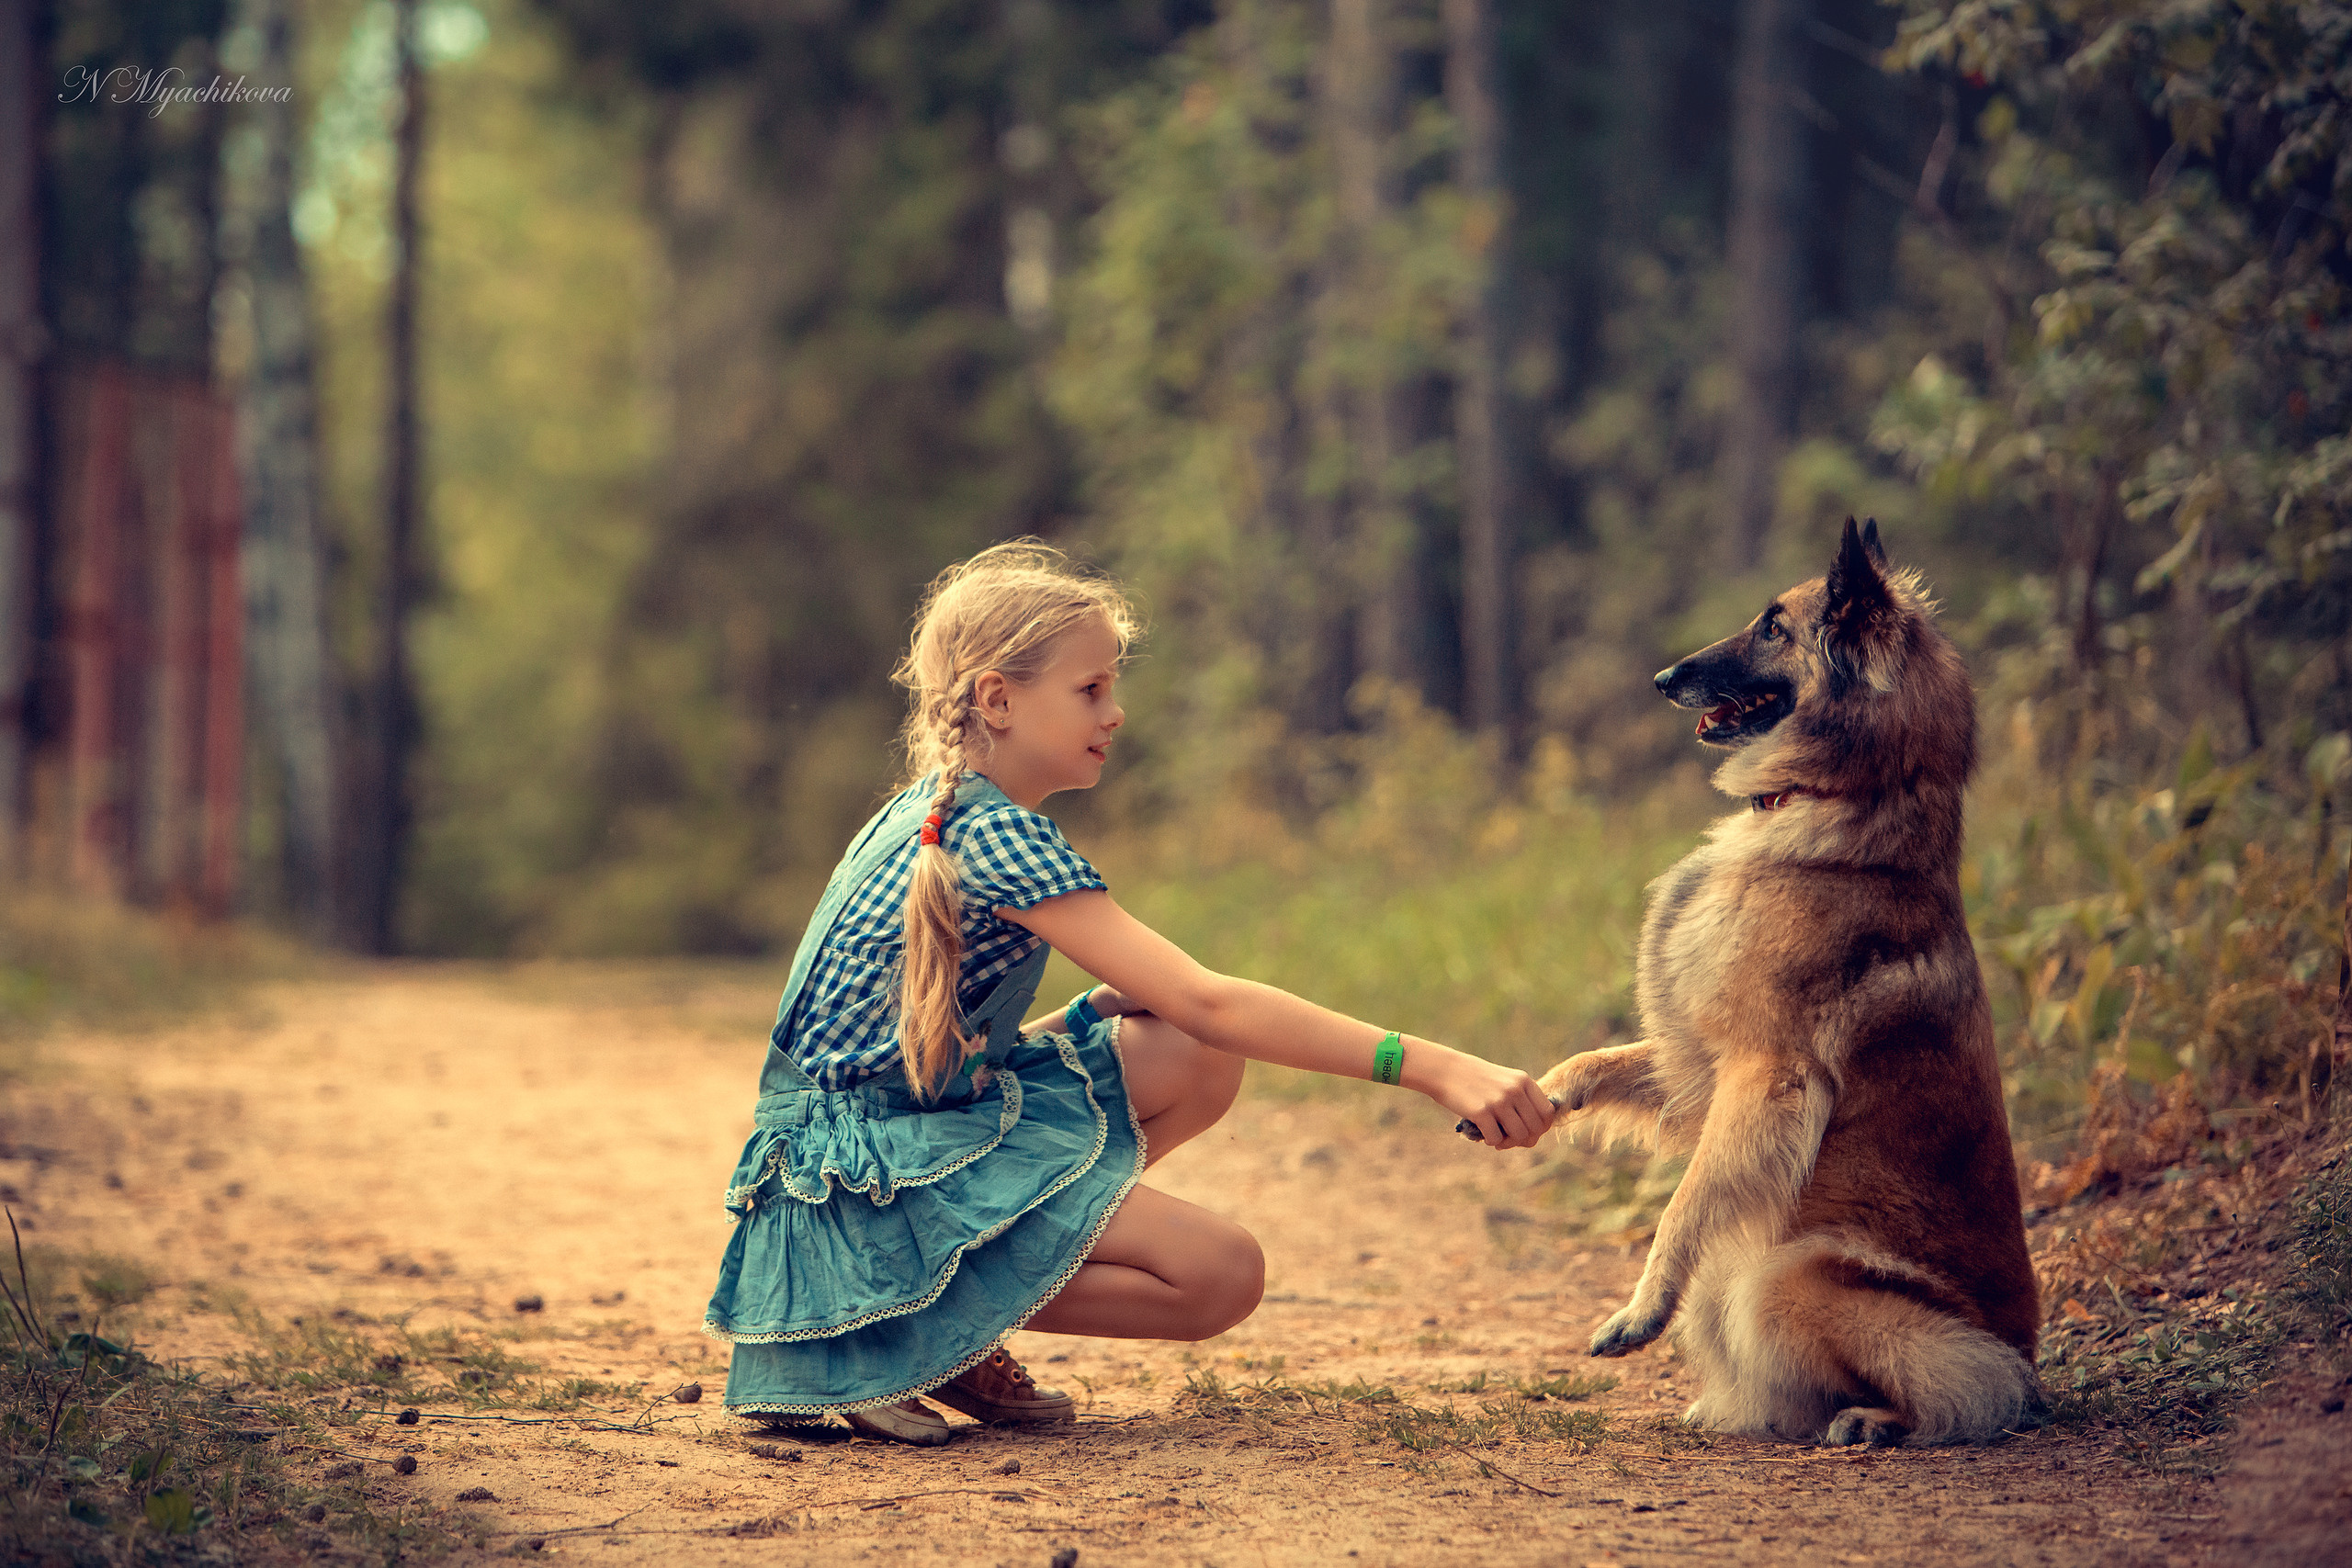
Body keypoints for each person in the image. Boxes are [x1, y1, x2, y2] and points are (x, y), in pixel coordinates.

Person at [702, 542, 1555, 1444]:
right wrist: (1433, 1067)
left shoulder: (924, 812)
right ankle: (903, 1323)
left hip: (846, 1158)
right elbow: (1210, 999)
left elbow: (898, 1056)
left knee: (1191, 1055)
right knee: (1220, 1274)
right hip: (857, 1197)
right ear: (997, 699)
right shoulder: (995, 837)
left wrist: (1082, 1015)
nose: (1115, 712)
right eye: (1090, 689)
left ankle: (933, 1312)